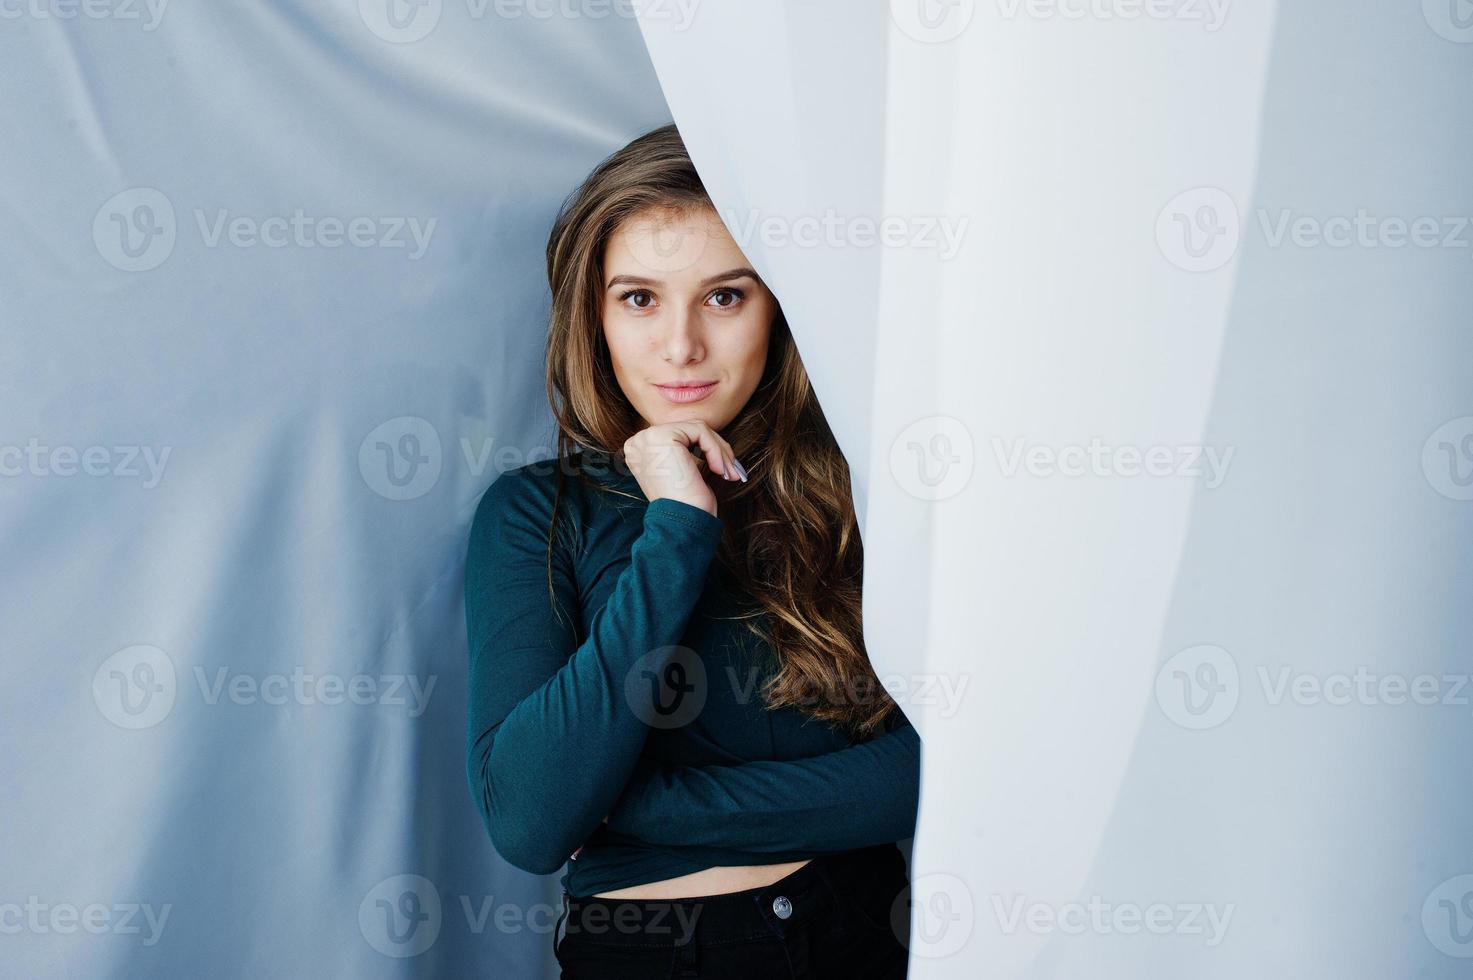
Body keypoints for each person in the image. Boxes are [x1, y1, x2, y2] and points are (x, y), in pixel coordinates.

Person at [464, 123, 921, 979]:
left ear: (778, 306)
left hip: (863, 926)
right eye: (639, 298)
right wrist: (676, 524)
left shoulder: (859, 493)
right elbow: (530, 822)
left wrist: (625, 805)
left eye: (724, 296)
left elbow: (930, 770)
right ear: (591, 314)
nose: (681, 347)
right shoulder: (538, 514)